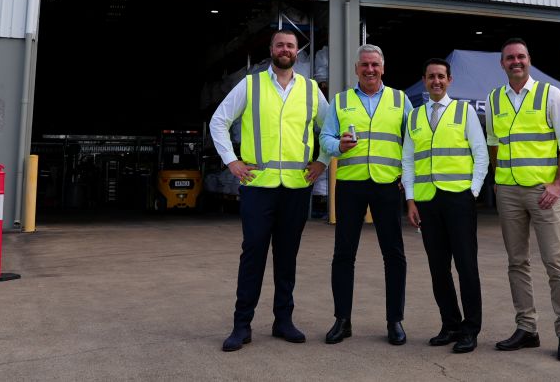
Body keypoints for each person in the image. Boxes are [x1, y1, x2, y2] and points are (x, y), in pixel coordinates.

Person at [209, 29, 330, 352]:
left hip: (295, 188)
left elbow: (329, 129)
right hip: (258, 186)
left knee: (286, 257)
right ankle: (242, 325)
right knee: (253, 255)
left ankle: (283, 320)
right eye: (280, 45)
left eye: (291, 45)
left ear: (296, 51)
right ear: (272, 50)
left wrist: (321, 161)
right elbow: (218, 121)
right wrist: (231, 161)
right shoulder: (251, 85)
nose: (286, 49)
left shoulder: (309, 90)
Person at [488, 38, 560, 362]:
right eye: (510, 57)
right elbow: (494, 142)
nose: (516, 62)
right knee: (517, 263)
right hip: (509, 192)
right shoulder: (494, 99)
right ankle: (526, 327)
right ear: (502, 64)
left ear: (529, 60)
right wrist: (500, 178)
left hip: (544, 192)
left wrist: (558, 184)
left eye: (521, 57)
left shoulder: (550, 94)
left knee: (555, 262)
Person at [320, 44, 412, 345]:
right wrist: (338, 147)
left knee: (394, 255)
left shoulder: (401, 100)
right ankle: (342, 321)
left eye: (375, 64)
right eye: (364, 65)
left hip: (387, 184)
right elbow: (325, 136)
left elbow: (413, 142)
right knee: (343, 255)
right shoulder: (341, 101)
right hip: (350, 185)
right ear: (356, 69)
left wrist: (407, 179)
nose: (370, 70)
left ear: (383, 68)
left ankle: (394, 321)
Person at [402, 58, 489, 353]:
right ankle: (450, 324)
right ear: (424, 80)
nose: (436, 81)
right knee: (438, 268)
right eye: (431, 77)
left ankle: (470, 329)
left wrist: (472, 191)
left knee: (466, 266)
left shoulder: (464, 112)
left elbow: (481, 154)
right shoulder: (414, 117)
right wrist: (410, 200)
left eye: (441, 76)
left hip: (458, 199)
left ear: (450, 80)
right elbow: (408, 162)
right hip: (427, 202)